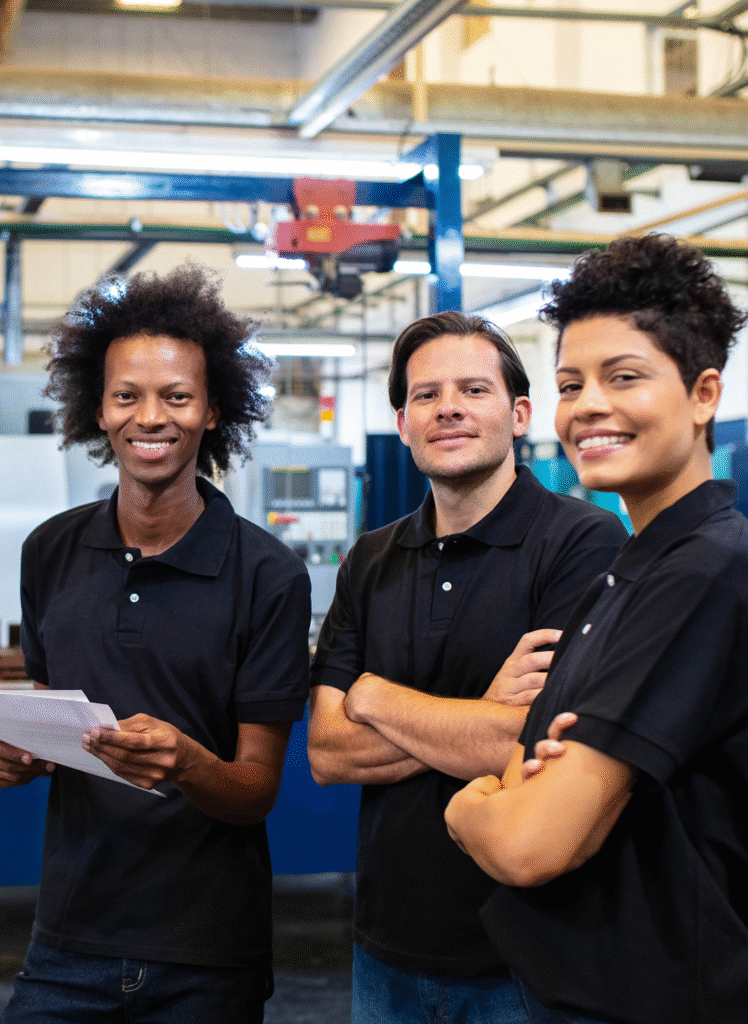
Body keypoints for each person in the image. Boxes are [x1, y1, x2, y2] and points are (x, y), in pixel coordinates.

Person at [445, 233, 748, 1024]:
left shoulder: (704, 574)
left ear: (705, 393)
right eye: (571, 384)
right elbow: (524, 768)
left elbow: (527, 842)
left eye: (625, 377)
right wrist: (518, 791)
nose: (588, 408)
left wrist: (467, 805)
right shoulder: (630, 569)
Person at [0, 265, 311, 1024]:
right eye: (127, 395)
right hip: (67, 942)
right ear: (98, 410)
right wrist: (18, 755)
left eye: (177, 396)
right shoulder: (49, 551)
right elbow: (53, 718)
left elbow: (256, 790)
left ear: (211, 411)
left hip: (205, 956)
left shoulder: (269, 574)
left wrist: (189, 763)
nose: (151, 417)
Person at [307, 310, 627, 1024]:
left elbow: (535, 744)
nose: (447, 406)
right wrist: (482, 712)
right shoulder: (370, 559)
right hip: (386, 950)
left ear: (518, 415)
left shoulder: (584, 543)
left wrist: (375, 694)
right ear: (402, 422)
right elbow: (326, 753)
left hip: (529, 956)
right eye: (426, 395)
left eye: (472, 390)